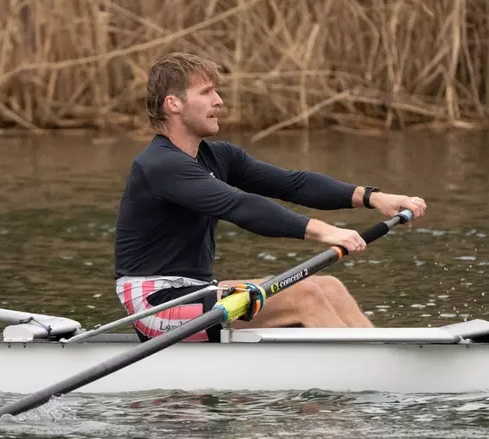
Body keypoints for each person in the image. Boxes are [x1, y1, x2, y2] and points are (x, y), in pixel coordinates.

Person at [113, 52, 427, 342]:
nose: (219, 101)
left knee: (329, 286)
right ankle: (366, 378)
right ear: (173, 104)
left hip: (197, 292)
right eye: (206, 92)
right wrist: (327, 232)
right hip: (155, 305)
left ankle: (379, 358)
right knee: (304, 296)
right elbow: (239, 205)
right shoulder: (160, 165)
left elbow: (293, 184)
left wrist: (374, 197)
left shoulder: (219, 157)